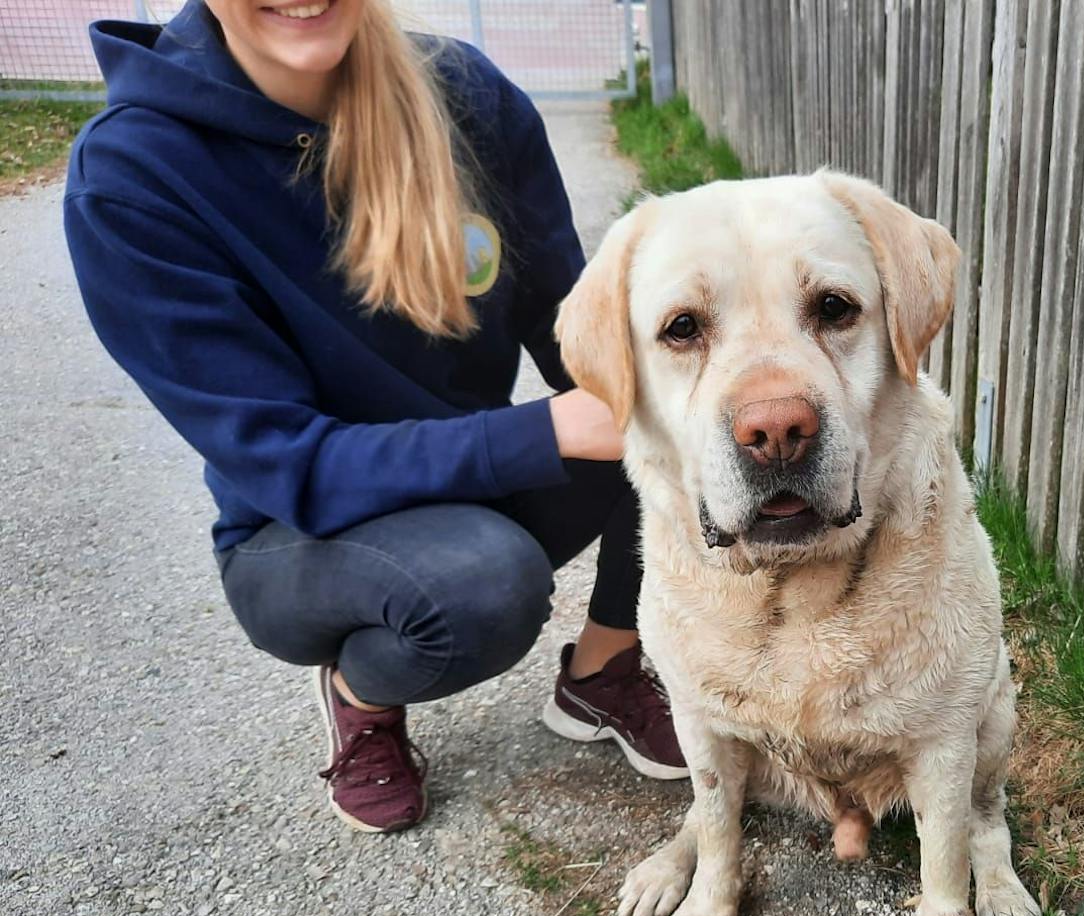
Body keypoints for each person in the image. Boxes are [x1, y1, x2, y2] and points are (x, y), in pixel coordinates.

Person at [64, 0, 687, 836]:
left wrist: (663, 402)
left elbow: (571, 323)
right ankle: (363, 693)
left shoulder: (468, 97)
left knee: (675, 414)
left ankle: (602, 671)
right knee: (480, 586)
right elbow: (292, 465)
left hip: (462, 474)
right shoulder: (134, 173)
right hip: (292, 531)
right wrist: (544, 433)